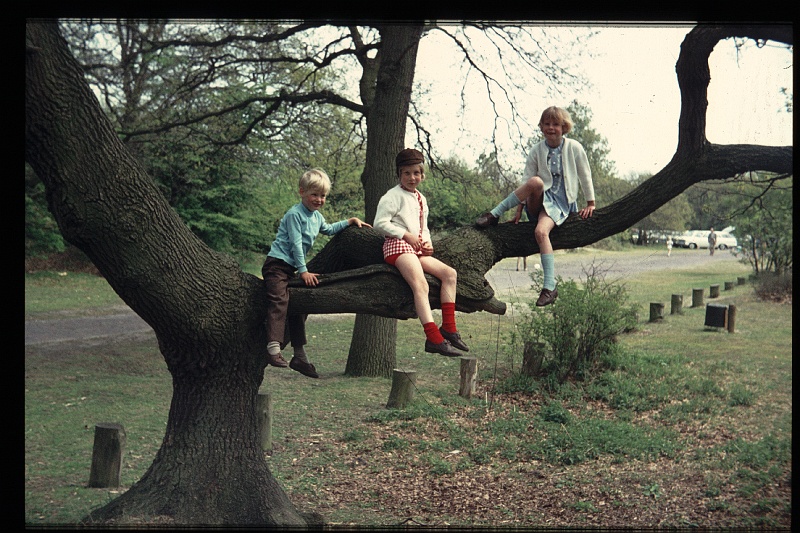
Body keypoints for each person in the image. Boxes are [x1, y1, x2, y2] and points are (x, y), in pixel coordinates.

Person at [475, 106, 596, 306]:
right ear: (541, 126)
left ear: (564, 127)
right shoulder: (537, 150)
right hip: (538, 202)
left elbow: (585, 175)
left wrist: (590, 203)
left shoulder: (574, 147)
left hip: (561, 204)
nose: (551, 128)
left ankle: (549, 286)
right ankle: (494, 214)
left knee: (541, 233)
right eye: (546, 124)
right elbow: (525, 182)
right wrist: (519, 210)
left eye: (556, 124)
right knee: (535, 182)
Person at [262, 168, 370, 377]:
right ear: (302, 192)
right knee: (279, 300)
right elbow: (294, 244)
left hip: (290, 267)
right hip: (277, 265)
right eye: (314, 194)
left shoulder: (316, 217)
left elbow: (329, 229)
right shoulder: (295, 215)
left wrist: (349, 221)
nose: (319, 199)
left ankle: (300, 356)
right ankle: (273, 347)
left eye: (323, 196)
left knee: (297, 304)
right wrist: (303, 271)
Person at [374, 148, 468, 357]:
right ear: (399, 174)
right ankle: (433, 338)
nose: (412, 177)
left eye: (416, 173)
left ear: (422, 174)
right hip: (397, 246)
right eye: (406, 173)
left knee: (450, 274)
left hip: (416, 249)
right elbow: (379, 223)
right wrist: (404, 235)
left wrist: (427, 244)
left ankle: (449, 329)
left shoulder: (420, 198)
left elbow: (423, 227)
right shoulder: (392, 196)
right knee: (421, 285)